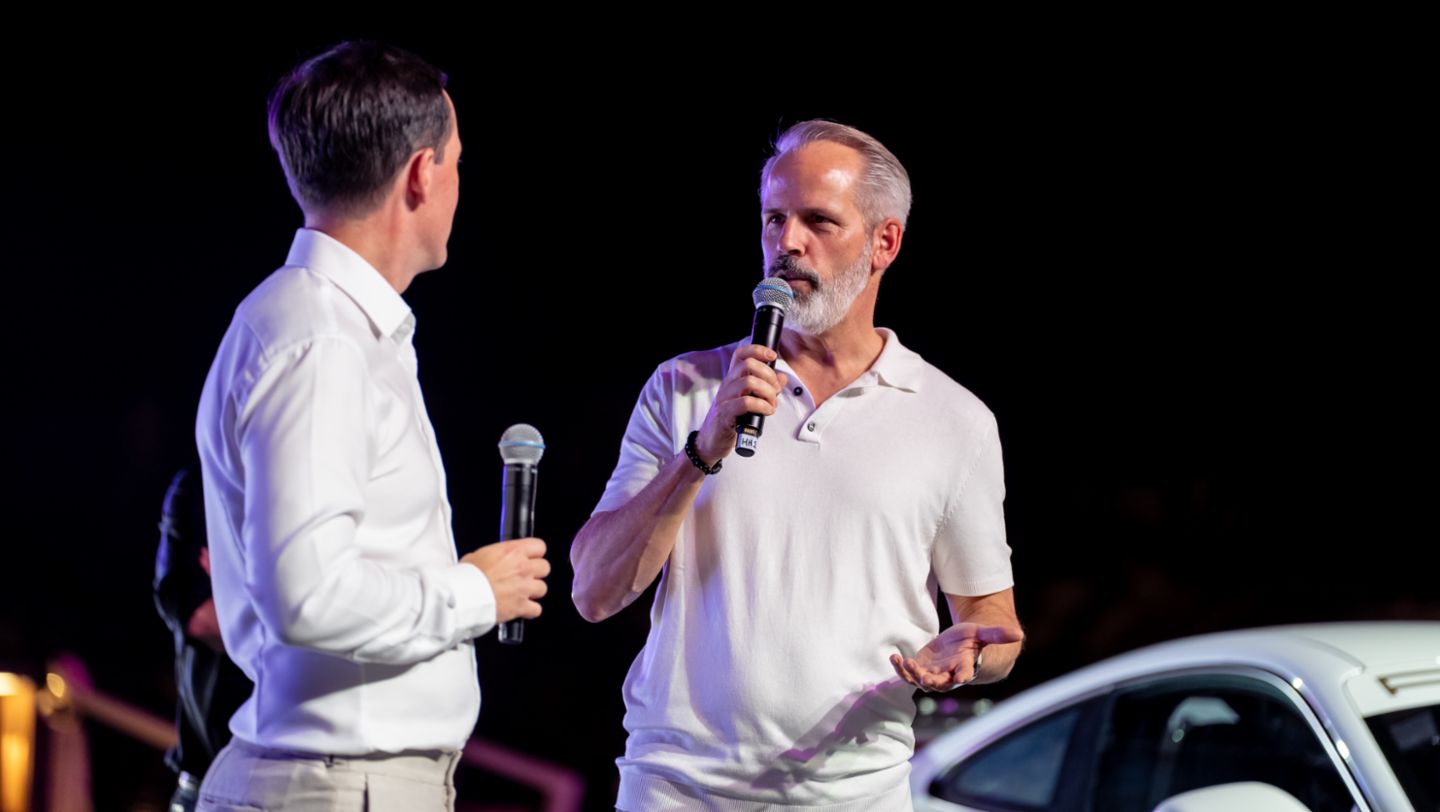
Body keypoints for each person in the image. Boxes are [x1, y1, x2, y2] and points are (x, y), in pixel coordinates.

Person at [570, 120, 1025, 811]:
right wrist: (702, 449)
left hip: (853, 794)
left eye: (818, 221)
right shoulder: (686, 388)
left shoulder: (953, 420)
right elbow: (594, 592)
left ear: (885, 242)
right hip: (678, 789)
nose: (787, 244)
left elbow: (995, 629)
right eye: (774, 219)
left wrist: (967, 660)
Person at [194, 41, 548, 809]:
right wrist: (473, 593)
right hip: (332, 785)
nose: (458, 181)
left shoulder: (320, 325)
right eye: (456, 160)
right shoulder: (322, 341)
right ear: (422, 174)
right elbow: (308, 594)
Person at [153, 466, 252, 812]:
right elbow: (201, 619)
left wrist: (234, 581)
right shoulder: (199, 489)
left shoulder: (311, 491)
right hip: (206, 784)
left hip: (293, 779)